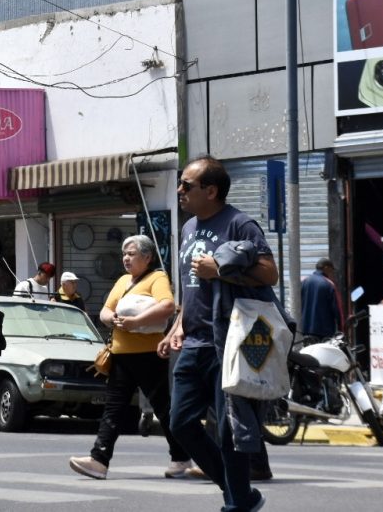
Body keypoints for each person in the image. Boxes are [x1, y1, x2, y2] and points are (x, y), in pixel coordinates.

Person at [158, 156, 277, 512]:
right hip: (193, 341)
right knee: (180, 423)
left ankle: (238, 503)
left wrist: (220, 271)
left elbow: (269, 273)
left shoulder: (240, 224)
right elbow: (191, 286)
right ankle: (239, 494)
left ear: (211, 191)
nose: (180, 190)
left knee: (229, 431)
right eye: (181, 184)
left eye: (186, 185)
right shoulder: (189, 227)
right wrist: (177, 325)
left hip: (230, 342)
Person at [69, 235, 191, 480]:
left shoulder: (157, 278)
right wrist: (111, 319)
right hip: (121, 356)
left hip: (148, 355)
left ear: (147, 257)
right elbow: (105, 310)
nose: (125, 258)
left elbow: (167, 306)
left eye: (131, 253)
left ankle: (181, 458)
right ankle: (99, 460)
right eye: (124, 253)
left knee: (164, 408)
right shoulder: (123, 281)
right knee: (112, 409)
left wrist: (135, 321)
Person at [299, 258, 343, 341]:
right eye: (331, 271)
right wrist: (341, 329)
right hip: (324, 332)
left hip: (306, 330)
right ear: (326, 268)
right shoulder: (329, 284)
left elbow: (298, 304)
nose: (332, 274)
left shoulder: (304, 282)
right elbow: (338, 310)